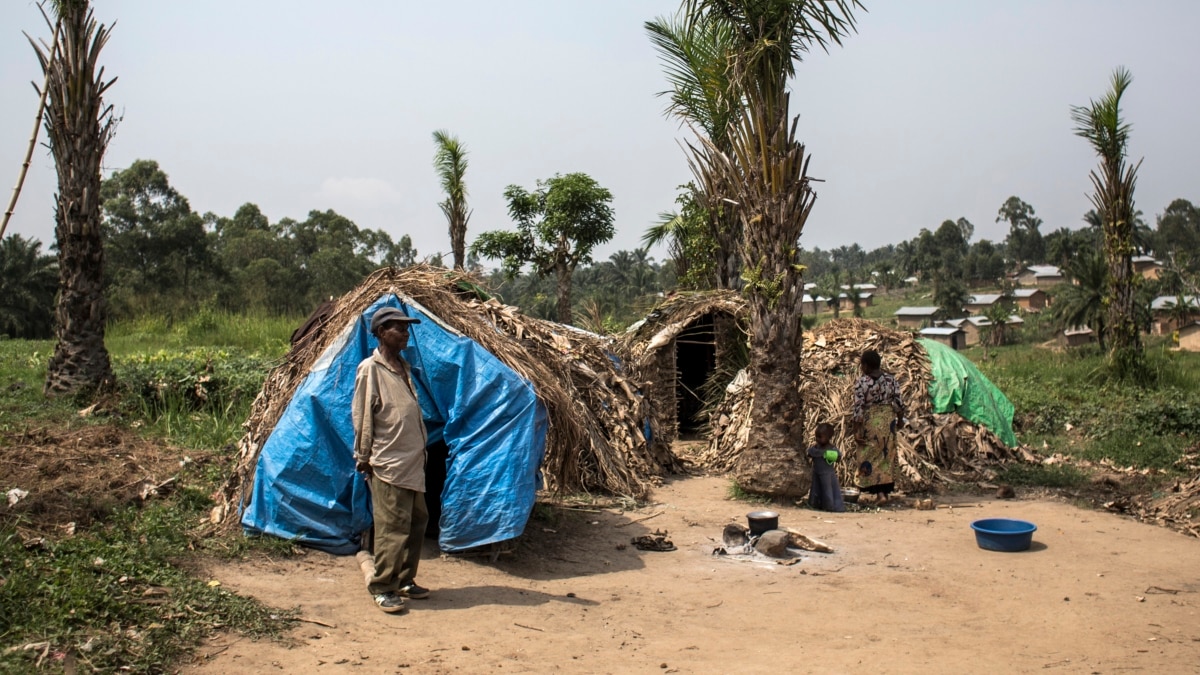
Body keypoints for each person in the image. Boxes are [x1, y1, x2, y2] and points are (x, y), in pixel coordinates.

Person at [352, 306, 432, 614]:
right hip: (388, 463)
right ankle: (383, 586)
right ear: (382, 332)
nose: (405, 333)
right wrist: (363, 456)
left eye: (406, 328)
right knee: (392, 527)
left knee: (416, 522)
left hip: (412, 463)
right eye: (399, 328)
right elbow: (362, 417)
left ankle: (404, 579)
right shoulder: (370, 369)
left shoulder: (402, 367)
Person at [850, 349, 905, 500]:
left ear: (866, 366)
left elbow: (858, 408)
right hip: (888, 423)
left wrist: (856, 431)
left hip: (870, 423)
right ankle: (883, 493)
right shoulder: (891, 380)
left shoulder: (862, 382)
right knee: (885, 456)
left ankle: (865, 490)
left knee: (866, 455)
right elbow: (899, 403)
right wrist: (900, 420)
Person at [806, 422, 845, 512]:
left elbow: (838, 457)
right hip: (816, 472)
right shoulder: (817, 447)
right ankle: (815, 504)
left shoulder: (831, 448)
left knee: (827, 490)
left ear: (828, 437)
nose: (818, 439)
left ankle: (829, 506)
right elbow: (810, 453)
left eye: (820, 437)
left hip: (827, 474)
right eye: (817, 437)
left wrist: (830, 456)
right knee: (816, 489)